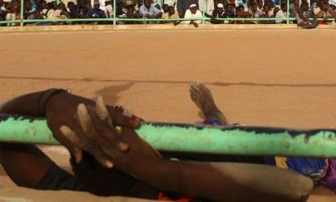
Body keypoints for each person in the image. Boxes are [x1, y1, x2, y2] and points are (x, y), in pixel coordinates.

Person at [0, 89, 313, 201]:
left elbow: (4, 128)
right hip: (185, 171)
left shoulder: (78, 188)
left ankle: (212, 112)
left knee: (213, 135)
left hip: (163, 170)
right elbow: (293, 187)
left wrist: (51, 100)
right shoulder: (171, 179)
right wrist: (157, 170)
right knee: (222, 137)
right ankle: (212, 112)